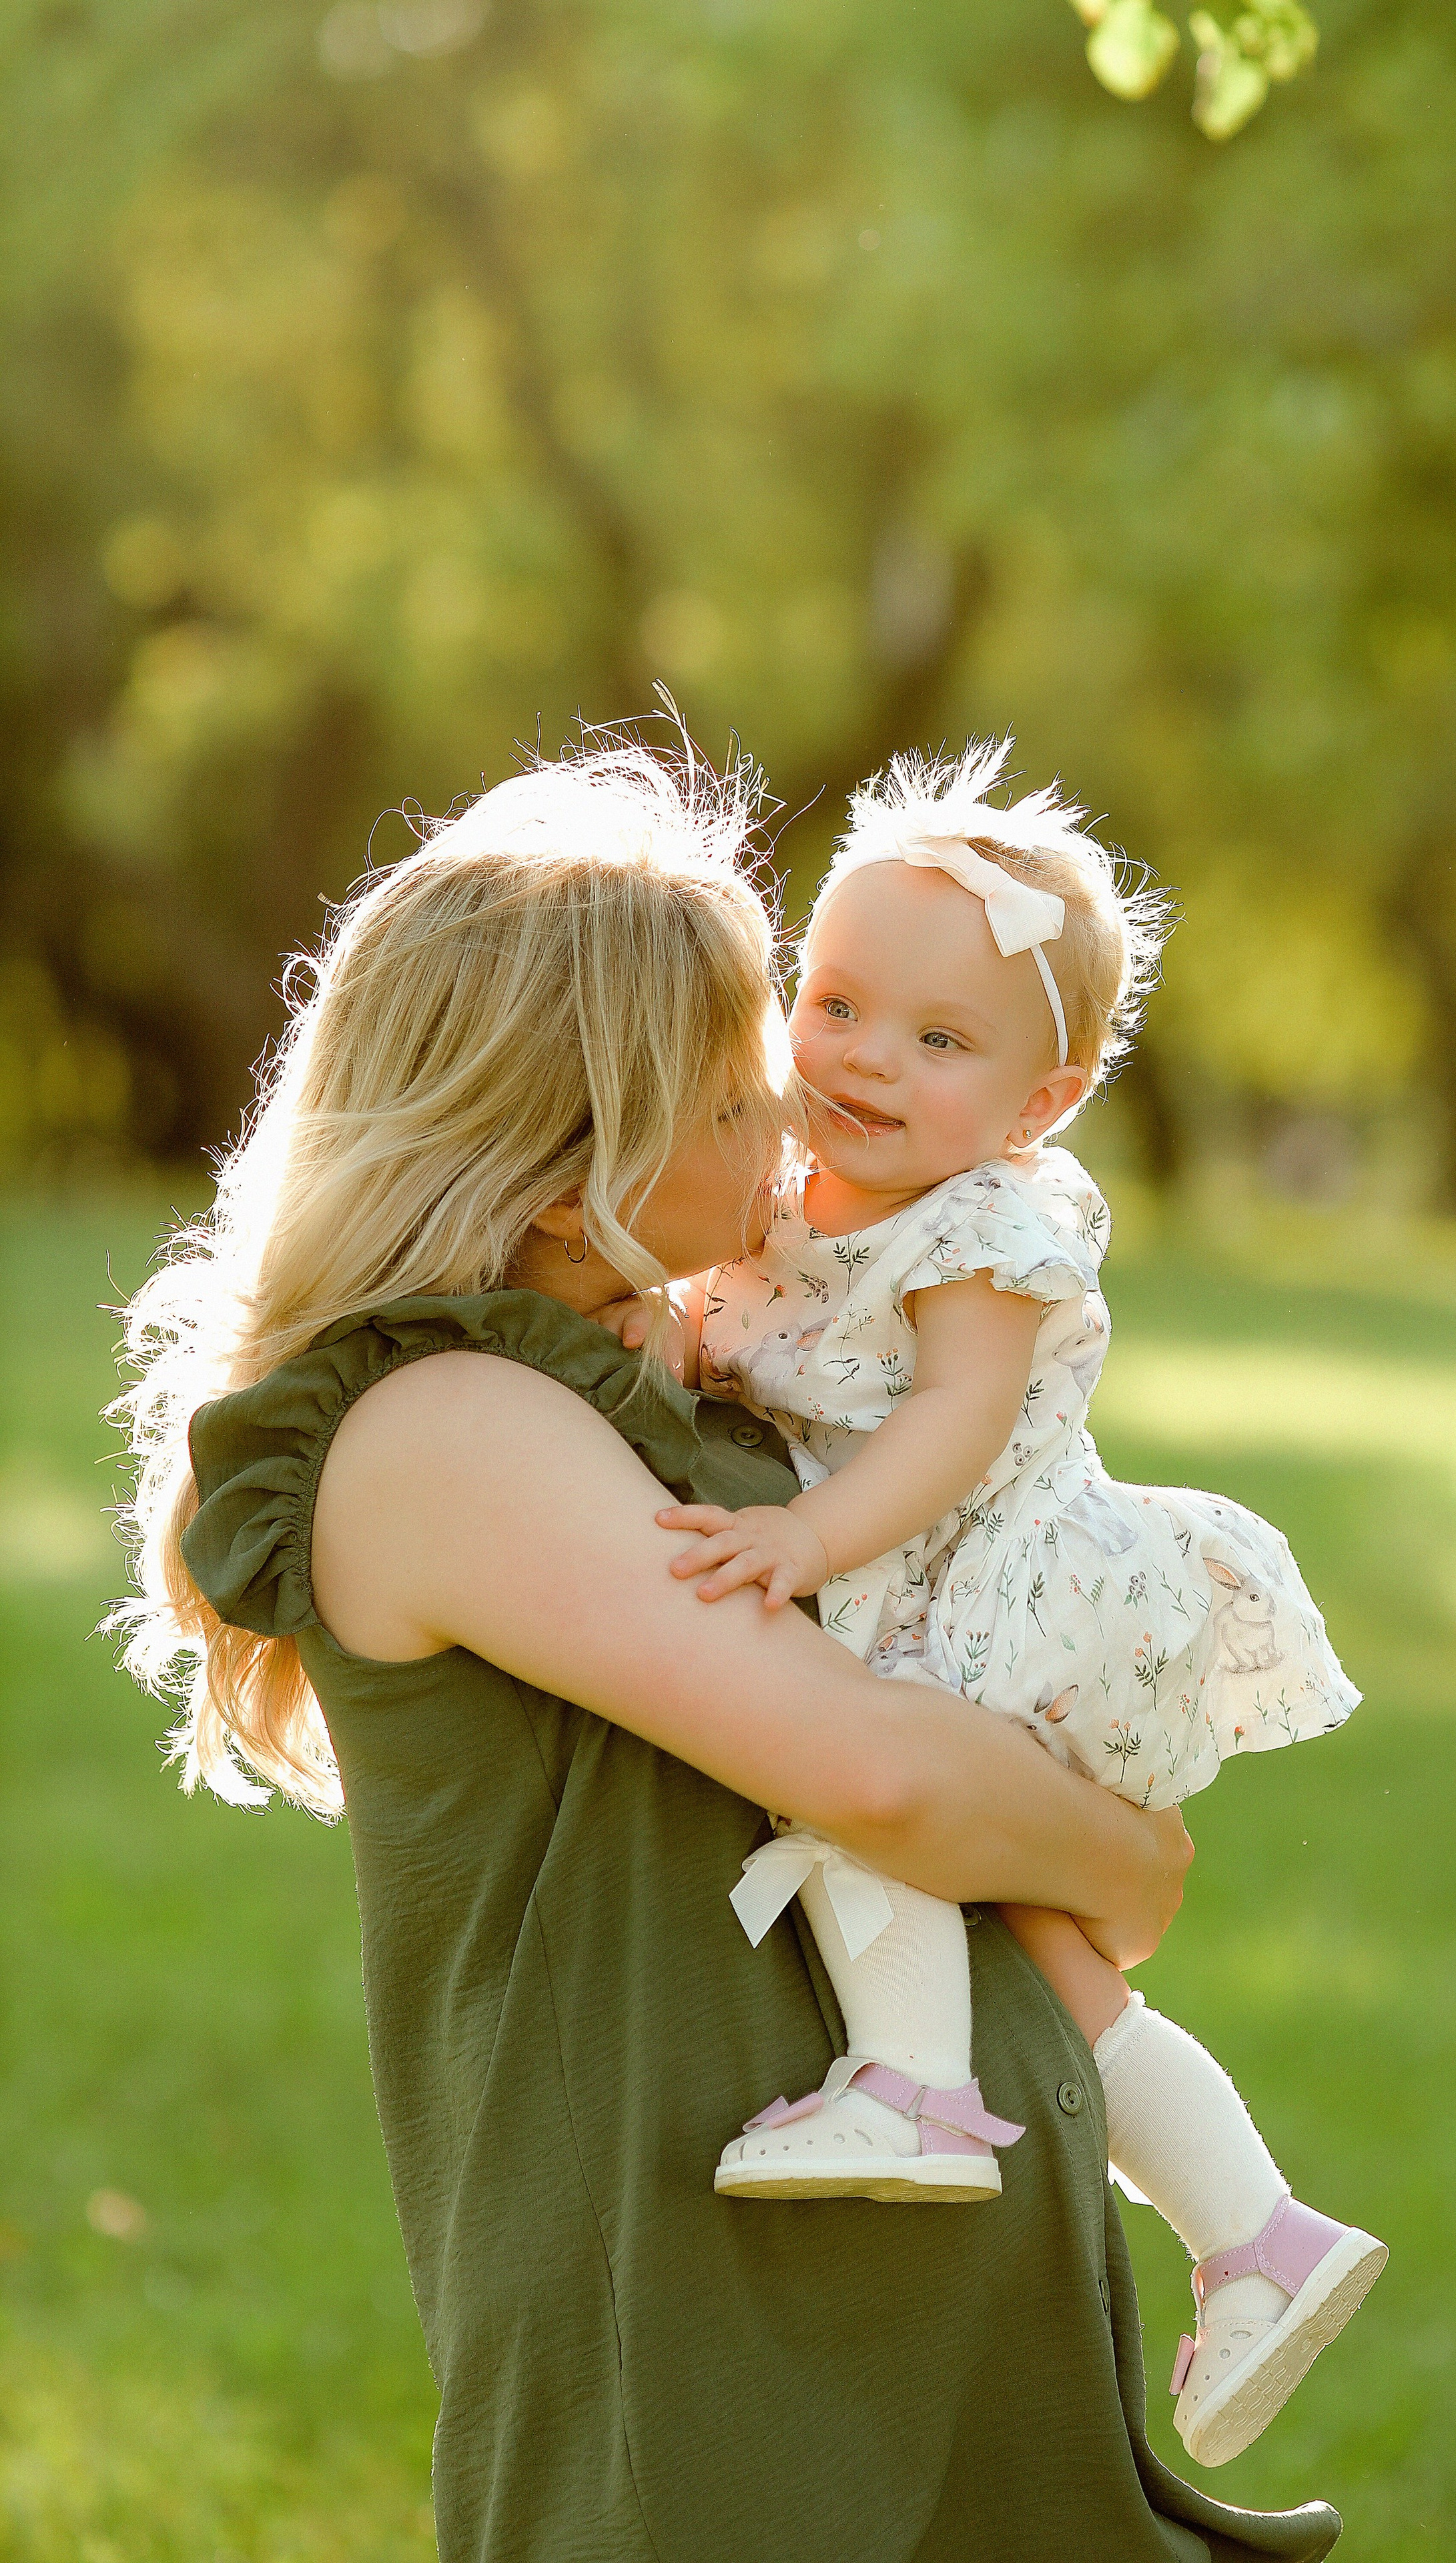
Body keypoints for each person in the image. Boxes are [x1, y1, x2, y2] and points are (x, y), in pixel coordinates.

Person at [111, 741, 1343, 2563]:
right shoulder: (453, 1425)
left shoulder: (662, 1384)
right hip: (689, 2299)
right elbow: (886, 1772)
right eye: (735, 1097)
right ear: (566, 1151)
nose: (795, 1128)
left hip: (891, 2229)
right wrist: (1119, 1848)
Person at [655, 743, 1385, 2470]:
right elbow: (747, 1326)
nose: (862, 1058)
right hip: (926, 1571)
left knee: (853, 1768)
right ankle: (1259, 2232)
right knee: (1058, 1974)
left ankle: (910, 2087)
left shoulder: (988, 1227)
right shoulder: (794, 1195)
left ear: (1040, 1103)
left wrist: (809, 1541)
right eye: (833, 1002)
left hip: (999, 1584)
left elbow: (948, 1424)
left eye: (938, 1040)